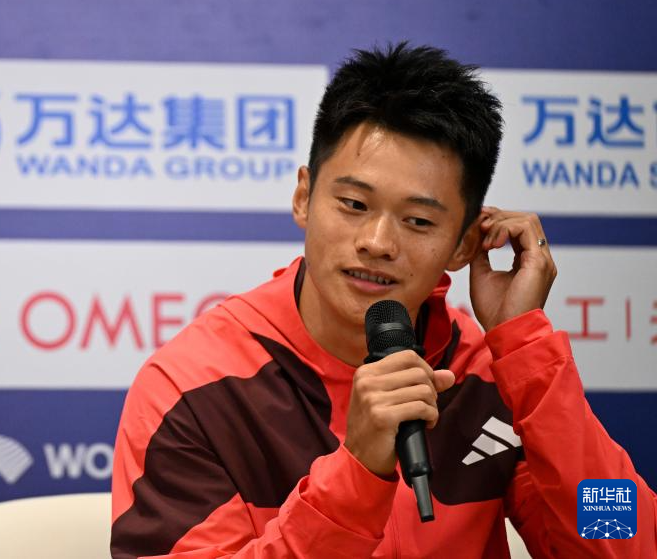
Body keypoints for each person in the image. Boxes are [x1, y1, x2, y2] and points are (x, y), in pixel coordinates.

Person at [110, 43, 656, 558]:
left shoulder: (486, 376)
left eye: (418, 221)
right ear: (304, 197)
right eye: (353, 204)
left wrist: (526, 349)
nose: (377, 242)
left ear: (465, 244)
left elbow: (622, 540)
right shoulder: (192, 388)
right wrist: (356, 473)